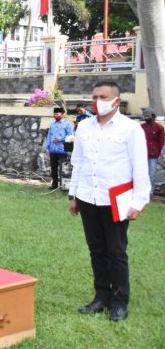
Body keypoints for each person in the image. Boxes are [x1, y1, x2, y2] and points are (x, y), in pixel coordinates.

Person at [69, 81, 150, 322]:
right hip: (88, 197)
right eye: (94, 96)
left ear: (116, 100)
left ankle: (119, 301)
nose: (97, 101)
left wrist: (139, 202)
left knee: (116, 252)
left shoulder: (130, 129)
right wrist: (73, 196)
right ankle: (101, 297)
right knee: (97, 251)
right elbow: (79, 163)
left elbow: (140, 167)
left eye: (103, 96)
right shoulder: (84, 127)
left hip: (115, 200)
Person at [46, 107, 74, 190]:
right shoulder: (52, 124)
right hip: (53, 150)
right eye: (54, 114)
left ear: (62, 114)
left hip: (62, 149)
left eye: (57, 114)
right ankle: (54, 184)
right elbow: (49, 136)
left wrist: (60, 139)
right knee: (53, 167)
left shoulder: (67, 124)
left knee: (64, 168)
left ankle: (64, 185)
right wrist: (48, 146)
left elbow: (70, 136)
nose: (55, 115)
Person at [141, 107, 164, 198]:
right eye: (145, 116)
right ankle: (142, 192)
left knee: (152, 174)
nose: (146, 118)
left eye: (148, 116)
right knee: (142, 174)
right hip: (142, 155)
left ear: (153, 116)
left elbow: (162, 142)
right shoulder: (141, 127)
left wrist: (159, 154)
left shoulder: (159, 128)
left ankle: (150, 193)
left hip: (153, 156)